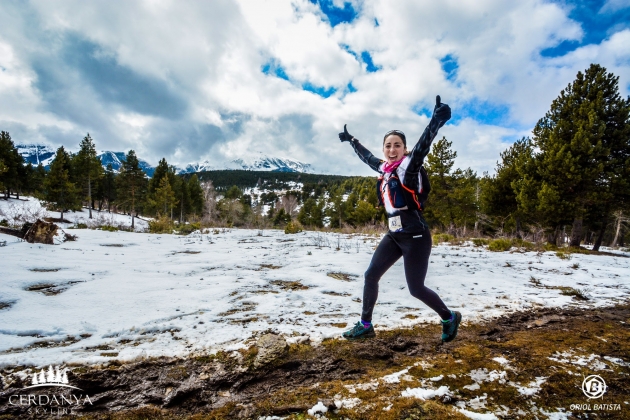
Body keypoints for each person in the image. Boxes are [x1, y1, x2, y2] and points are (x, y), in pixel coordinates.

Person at [338, 95, 461, 342]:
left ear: (404, 149)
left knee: (416, 289)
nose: (392, 150)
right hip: (394, 235)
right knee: (371, 275)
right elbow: (367, 156)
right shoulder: (383, 169)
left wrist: (436, 121)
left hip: (415, 235)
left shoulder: (409, 167)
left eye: (397, 145)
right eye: (388, 146)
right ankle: (365, 325)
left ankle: (449, 317)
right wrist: (352, 141)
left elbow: (424, 144)